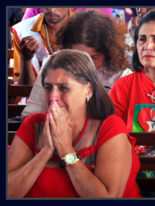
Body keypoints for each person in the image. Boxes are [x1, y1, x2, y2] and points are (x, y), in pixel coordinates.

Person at [8, 49, 141, 198]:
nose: (53, 97)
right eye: (48, 87)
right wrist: (45, 152)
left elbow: (107, 197)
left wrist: (66, 150)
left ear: (89, 90)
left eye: (64, 88)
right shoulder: (33, 124)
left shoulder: (109, 127)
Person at [21, 10, 132, 119]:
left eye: (94, 58)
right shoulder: (55, 65)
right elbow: (29, 117)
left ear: (108, 53)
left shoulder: (121, 75)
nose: (84, 63)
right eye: (77, 56)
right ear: (66, 50)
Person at [11, 8, 73, 85]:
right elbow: (23, 88)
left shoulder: (84, 29)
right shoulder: (22, 31)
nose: (52, 10)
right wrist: (26, 60)